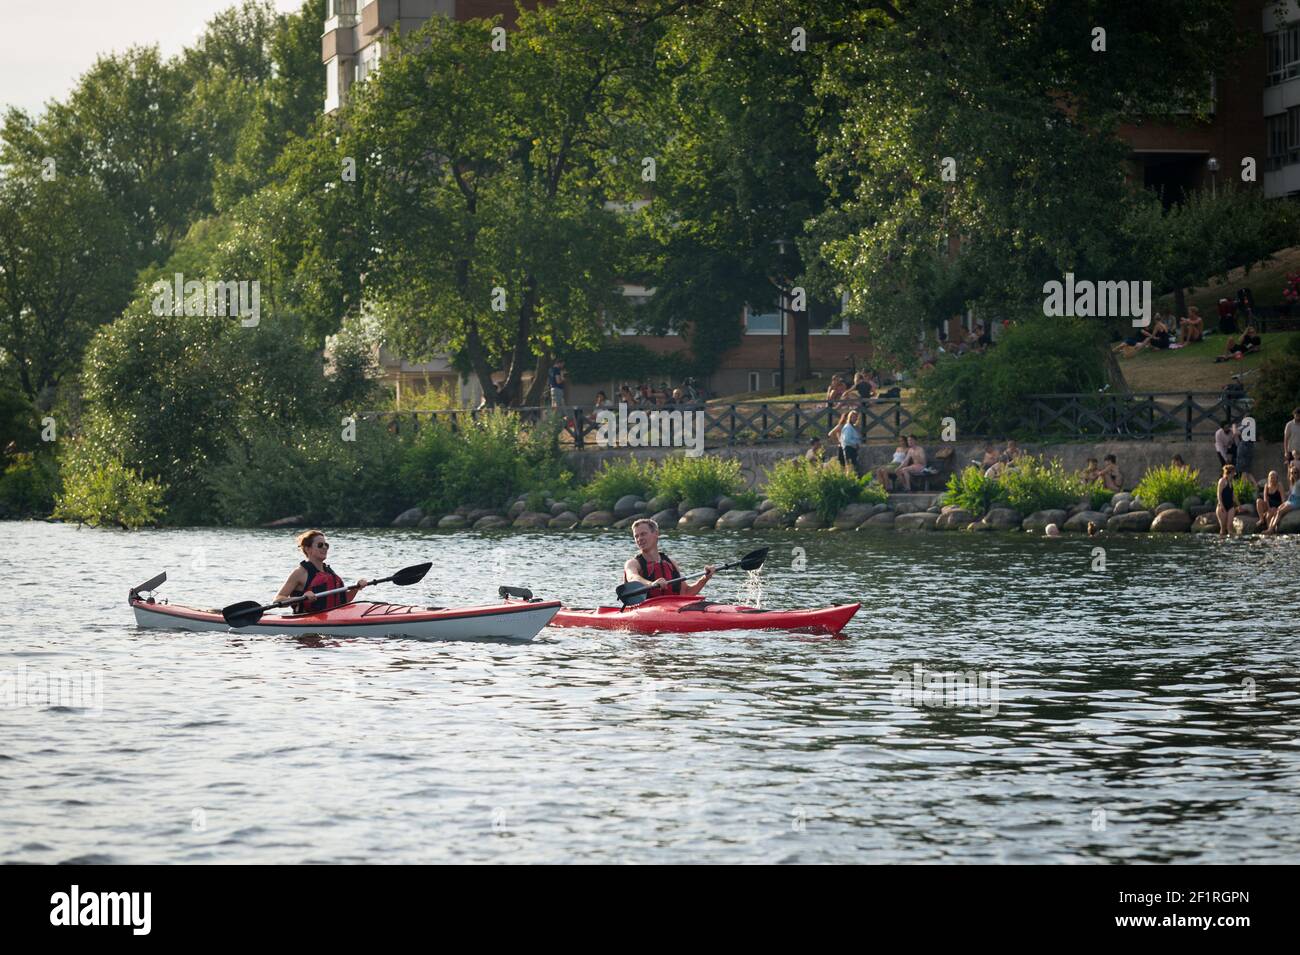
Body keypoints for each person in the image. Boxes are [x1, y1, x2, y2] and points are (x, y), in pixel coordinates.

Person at [273, 530, 369, 612]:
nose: (324, 547)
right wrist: (301, 599)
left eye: (326, 545)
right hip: (307, 620)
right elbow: (277, 600)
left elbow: (343, 600)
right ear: (308, 549)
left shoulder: (329, 572)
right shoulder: (300, 573)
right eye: (320, 545)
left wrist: (356, 588)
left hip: (331, 618)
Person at [622, 518, 713, 601]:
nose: (639, 539)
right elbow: (633, 577)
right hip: (644, 609)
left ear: (656, 534)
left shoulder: (671, 563)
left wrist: (705, 578)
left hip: (671, 609)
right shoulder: (632, 563)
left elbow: (686, 592)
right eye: (636, 536)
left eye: (643, 534)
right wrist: (651, 584)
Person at [1264, 464, 1300, 534]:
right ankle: (1270, 528)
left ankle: (1271, 529)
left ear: (1298, 473)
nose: (1293, 474)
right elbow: (1291, 492)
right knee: (1277, 510)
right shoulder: (1293, 482)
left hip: (1296, 501)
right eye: (1292, 473)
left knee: (1280, 512)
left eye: (1295, 472)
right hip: (1290, 500)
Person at [1215, 464, 1249, 536]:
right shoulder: (1222, 481)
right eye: (1234, 473)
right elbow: (1219, 494)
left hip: (1230, 506)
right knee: (1223, 528)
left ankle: (1230, 545)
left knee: (1229, 527)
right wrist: (1221, 505)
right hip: (1222, 506)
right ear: (1230, 472)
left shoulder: (1231, 482)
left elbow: (1233, 496)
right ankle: (1222, 544)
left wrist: (1239, 505)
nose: (1234, 474)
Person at [1233, 419, 1257, 486]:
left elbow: (1235, 432)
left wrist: (1233, 426)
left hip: (1244, 450)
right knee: (1247, 471)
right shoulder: (1253, 428)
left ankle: (1244, 489)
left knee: (1243, 471)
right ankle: (1255, 487)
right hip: (1249, 449)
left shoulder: (1247, 427)